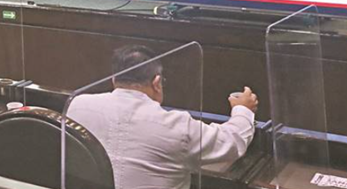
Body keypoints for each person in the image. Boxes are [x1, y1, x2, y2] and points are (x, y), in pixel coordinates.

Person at [66, 45, 258, 189]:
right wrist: (244, 109)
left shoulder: (77, 105)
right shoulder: (177, 126)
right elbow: (231, 143)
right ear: (157, 83)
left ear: (114, 79)